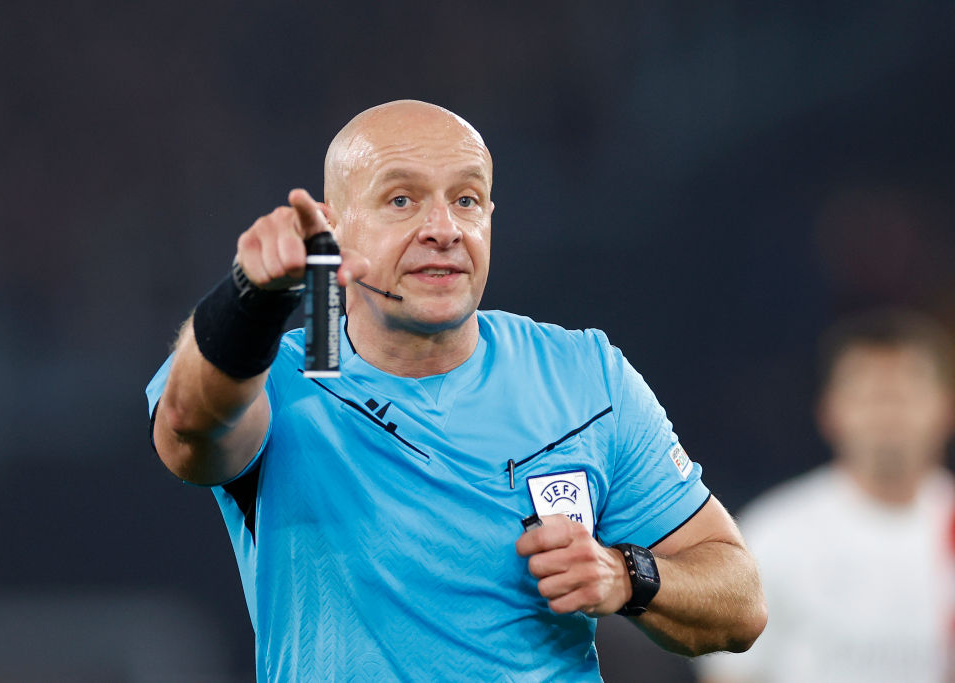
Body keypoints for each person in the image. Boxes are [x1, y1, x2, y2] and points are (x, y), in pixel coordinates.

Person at [146, 100, 766, 681]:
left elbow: (741, 605)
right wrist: (250, 300)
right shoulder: (289, 377)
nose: (442, 228)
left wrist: (629, 573)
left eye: (466, 199)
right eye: (400, 200)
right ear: (334, 229)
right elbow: (188, 429)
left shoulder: (584, 375)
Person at [696, 309, 955, 683]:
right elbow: (731, 674)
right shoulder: (773, 535)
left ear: (945, 408)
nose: (887, 413)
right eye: (869, 395)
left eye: (903, 393)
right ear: (829, 411)